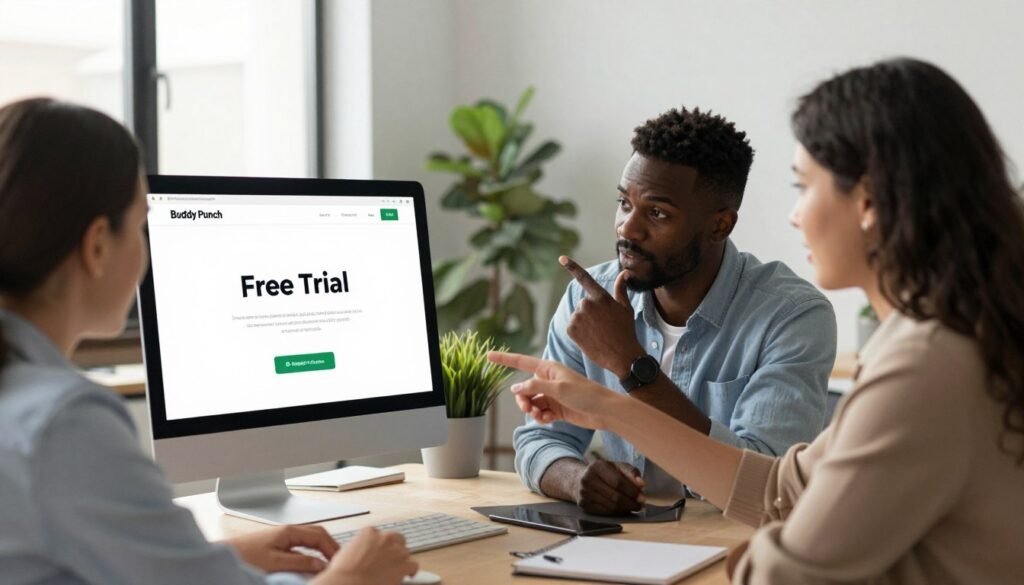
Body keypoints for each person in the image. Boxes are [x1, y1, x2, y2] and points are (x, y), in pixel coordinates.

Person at [491, 58, 1024, 584]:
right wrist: (608, 407)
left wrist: (632, 376)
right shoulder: (937, 338)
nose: (795, 215)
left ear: (867, 202)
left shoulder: (924, 364)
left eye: (803, 187)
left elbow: (785, 569)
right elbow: (782, 488)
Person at [0, 98, 418, 585]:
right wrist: (352, 578)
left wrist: (215, 559)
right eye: (141, 225)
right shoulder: (65, 424)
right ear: (96, 245)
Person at [513, 106, 837, 514]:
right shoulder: (587, 301)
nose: (627, 228)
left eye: (658, 213)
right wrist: (578, 479)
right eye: (624, 203)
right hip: (624, 544)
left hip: (734, 550)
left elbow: (766, 483)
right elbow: (540, 440)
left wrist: (632, 366)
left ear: (720, 225)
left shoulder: (792, 316)